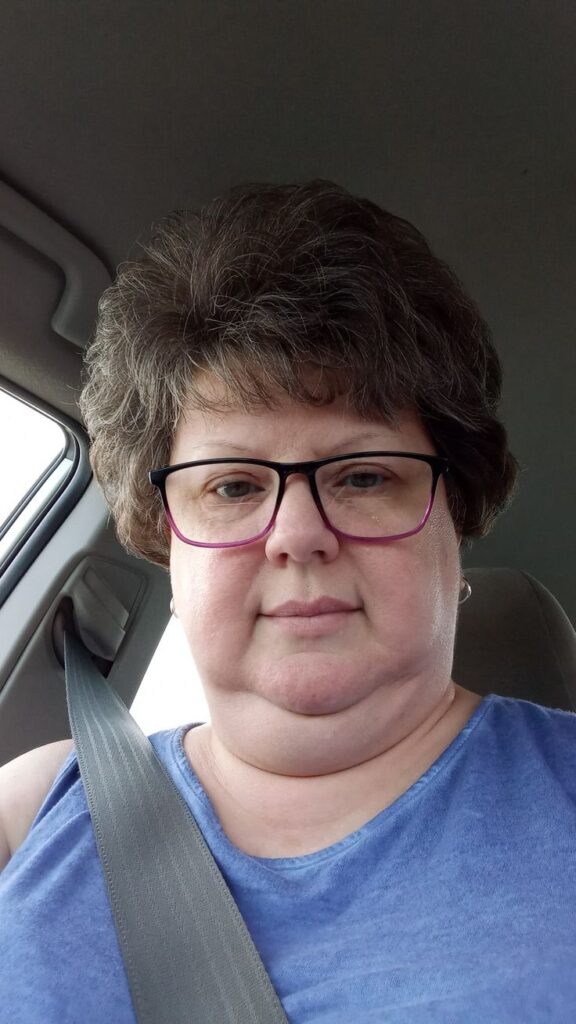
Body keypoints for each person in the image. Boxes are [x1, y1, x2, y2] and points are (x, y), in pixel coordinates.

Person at [1, 180, 575, 1022]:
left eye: (364, 476)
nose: (296, 534)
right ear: (167, 542)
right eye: (233, 486)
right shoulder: (30, 812)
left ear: (455, 524)